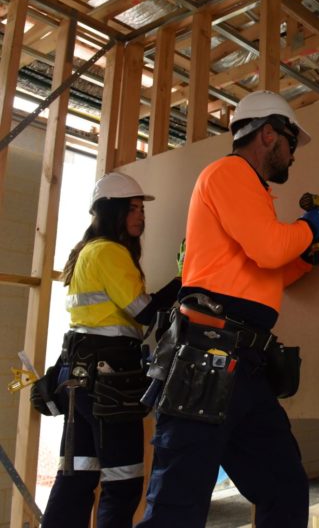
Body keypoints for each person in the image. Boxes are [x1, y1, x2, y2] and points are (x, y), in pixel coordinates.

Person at [137, 90, 319, 527]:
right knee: (176, 508)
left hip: (244, 365)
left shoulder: (251, 190)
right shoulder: (228, 173)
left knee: (284, 488)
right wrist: (311, 226)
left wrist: (307, 255)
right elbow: (270, 250)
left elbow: (265, 273)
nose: (293, 156)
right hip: (205, 358)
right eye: (290, 144)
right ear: (269, 134)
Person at [40, 172, 181, 527]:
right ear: (110, 211)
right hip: (109, 381)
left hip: (83, 378)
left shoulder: (87, 252)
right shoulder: (110, 252)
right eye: (132, 208)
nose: (140, 216)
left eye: (141, 209)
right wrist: (185, 280)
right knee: (123, 482)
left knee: (77, 478)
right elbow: (147, 312)